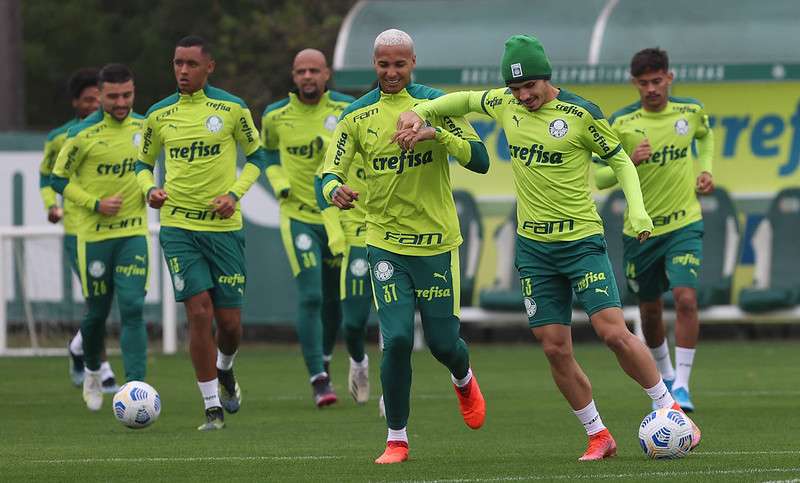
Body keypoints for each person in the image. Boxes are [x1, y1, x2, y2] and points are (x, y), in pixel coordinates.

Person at [396, 34, 701, 461]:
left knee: (612, 332)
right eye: (516, 89)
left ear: (547, 77)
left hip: (580, 242)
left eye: (530, 87)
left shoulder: (580, 113)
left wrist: (637, 212)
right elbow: (457, 102)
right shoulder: (504, 102)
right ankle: (598, 435)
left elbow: (619, 161)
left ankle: (668, 407)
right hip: (535, 250)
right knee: (555, 346)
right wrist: (416, 111)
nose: (523, 96)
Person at [321, 29, 490, 464]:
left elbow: (481, 158)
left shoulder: (437, 103)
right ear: (373, 64)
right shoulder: (356, 116)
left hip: (436, 244)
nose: (391, 72)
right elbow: (329, 171)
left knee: (442, 343)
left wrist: (436, 134)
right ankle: (397, 438)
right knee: (395, 339)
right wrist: (334, 189)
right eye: (383, 64)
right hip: (384, 243)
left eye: (399, 64)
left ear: (413, 61)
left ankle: (463, 377)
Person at [135, 35, 267, 431]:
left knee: (229, 325)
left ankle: (225, 368)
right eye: (177, 63)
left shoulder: (231, 108)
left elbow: (257, 158)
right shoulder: (158, 115)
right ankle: (212, 408)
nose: (182, 71)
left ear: (209, 66)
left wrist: (234, 195)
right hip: (179, 227)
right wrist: (149, 190)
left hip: (225, 229)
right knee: (199, 312)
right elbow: (142, 165)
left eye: (191, 64)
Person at [594, 47, 715, 412]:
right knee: (649, 311)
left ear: (669, 78)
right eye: (644, 83)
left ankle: (682, 385)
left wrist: (706, 168)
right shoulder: (620, 123)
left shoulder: (690, 112)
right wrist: (627, 161)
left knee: (686, 298)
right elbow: (599, 177)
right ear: (634, 83)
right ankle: (664, 374)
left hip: (684, 223)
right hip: (641, 232)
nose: (651, 89)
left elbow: (705, 137)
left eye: (657, 81)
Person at [51, 64, 148, 411]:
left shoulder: (146, 126)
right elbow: (58, 180)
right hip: (92, 236)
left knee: (134, 307)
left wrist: (151, 190)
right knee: (97, 314)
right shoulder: (81, 135)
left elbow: (150, 166)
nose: (121, 102)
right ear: (101, 96)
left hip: (133, 232)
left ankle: (137, 387)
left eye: (127, 95)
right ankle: (92, 371)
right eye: (113, 96)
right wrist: (94, 203)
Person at [261, 49, 354, 407]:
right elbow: (267, 153)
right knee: (311, 295)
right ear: (293, 75)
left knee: (334, 300)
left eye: (314, 70)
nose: (308, 77)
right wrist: (278, 179)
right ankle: (318, 377)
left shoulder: (345, 110)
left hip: (338, 218)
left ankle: (325, 361)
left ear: (327, 74)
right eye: (301, 71)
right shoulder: (275, 115)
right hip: (298, 215)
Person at [40, 68, 119, 392]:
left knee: (112, 297)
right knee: (96, 298)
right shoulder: (61, 137)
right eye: (88, 99)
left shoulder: (116, 130)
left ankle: (77, 347)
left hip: (114, 228)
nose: (94, 103)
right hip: (78, 229)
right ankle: (101, 366)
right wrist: (51, 205)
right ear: (76, 103)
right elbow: (47, 177)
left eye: (97, 97)